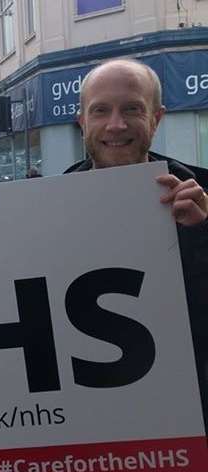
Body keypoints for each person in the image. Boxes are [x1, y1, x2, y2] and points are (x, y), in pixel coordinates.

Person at [65, 58, 208, 424]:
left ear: (156, 119)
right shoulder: (39, 211)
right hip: (92, 417)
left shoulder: (205, 196)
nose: (116, 124)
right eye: (100, 111)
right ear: (82, 122)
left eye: (132, 109)